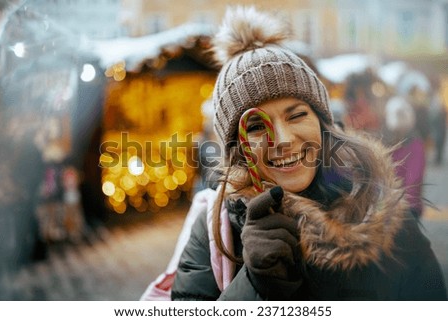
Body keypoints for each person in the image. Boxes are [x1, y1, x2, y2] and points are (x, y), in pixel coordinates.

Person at [170, 6, 446, 301]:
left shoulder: (385, 215)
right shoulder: (215, 230)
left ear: (323, 122)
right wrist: (253, 285)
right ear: (237, 149)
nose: (284, 139)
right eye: (256, 125)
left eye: (296, 115)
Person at [382, 96, 425, 219]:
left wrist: (405, 204)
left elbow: (414, 177)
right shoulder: (386, 142)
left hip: (407, 207)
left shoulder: (415, 144)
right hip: (390, 206)